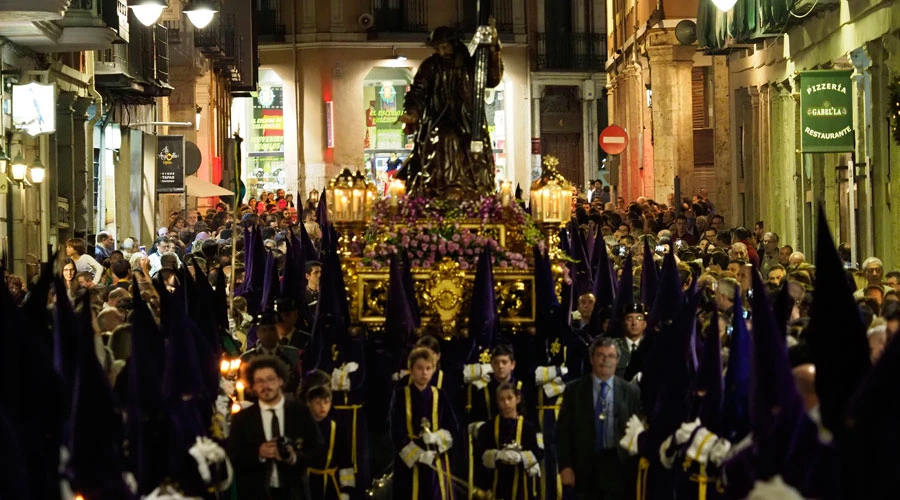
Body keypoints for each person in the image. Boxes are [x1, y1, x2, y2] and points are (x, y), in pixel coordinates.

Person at [397, 26, 503, 201]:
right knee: (446, 137)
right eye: (437, 48)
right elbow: (417, 91)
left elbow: (492, 79)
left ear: (454, 44)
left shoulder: (471, 65)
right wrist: (413, 113)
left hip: (469, 120)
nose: (441, 51)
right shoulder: (431, 66)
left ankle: (472, 190)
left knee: (474, 147)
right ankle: (450, 187)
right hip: (439, 119)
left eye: (444, 46)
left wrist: (494, 51)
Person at [557, 337, 641, 500]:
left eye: (610, 356)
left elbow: (636, 433)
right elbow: (563, 432)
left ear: (617, 360)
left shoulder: (630, 391)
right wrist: (565, 466)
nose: (605, 360)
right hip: (584, 467)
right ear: (591, 358)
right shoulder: (574, 390)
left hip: (620, 468)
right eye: (600, 355)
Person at [228, 356, 323, 500]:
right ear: (252, 386)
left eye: (270, 379)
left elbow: (318, 449)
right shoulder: (243, 419)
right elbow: (233, 456)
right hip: (256, 494)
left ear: (281, 381)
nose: (265, 386)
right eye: (259, 381)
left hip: (295, 494)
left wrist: (294, 457)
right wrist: (258, 453)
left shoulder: (299, 412)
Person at [390, 347, 459, 500]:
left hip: (436, 458)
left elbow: (453, 427)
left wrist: (437, 438)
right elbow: (396, 430)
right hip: (410, 463)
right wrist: (418, 455)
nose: (424, 372)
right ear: (411, 370)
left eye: (428, 368)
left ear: (434, 370)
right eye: (420, 368)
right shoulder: (401, 395)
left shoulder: (440, 395)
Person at [474, 382, 543, 499]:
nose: (506, 403)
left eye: (509, 398)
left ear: (517, 399)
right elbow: (479, 454)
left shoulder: (530, 427)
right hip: (497, 484)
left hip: (523, 485)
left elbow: (539, 451)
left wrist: (522, 457)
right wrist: (497, 455)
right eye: (502, 399)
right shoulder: (488, 428)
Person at [305, 383, 355, 500]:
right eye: (318, 403)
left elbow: (346, 461)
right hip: (308, 482)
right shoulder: (303, 427)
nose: (322, 406)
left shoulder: (337, 429)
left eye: (326, 402)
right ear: (309, 403)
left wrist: (346, 489)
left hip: (331, 484)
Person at [242, 312, 303, 396]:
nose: (268, 334)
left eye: (272, 329)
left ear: (277, 330)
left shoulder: (292, 355)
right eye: (263, 330)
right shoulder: (246, 359)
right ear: (257, 333)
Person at [615, 304, 646, 379]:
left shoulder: (652, 346)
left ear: (644, 324)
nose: (634, 323)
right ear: (623, 323)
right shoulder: (613, 347)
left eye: (639, 318)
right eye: (629, 318)